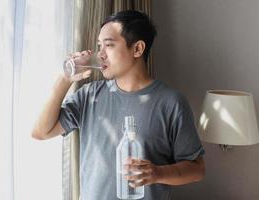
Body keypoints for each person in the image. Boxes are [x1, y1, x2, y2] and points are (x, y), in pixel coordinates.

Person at [32, 10, 205, 200]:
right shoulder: (90, 95)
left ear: (137, 49)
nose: (101, 54)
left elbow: (196, 169)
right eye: (99, 46)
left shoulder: (171, 103)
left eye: (109, 45)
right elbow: (41, 132)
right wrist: (65, 79)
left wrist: (157, 173)